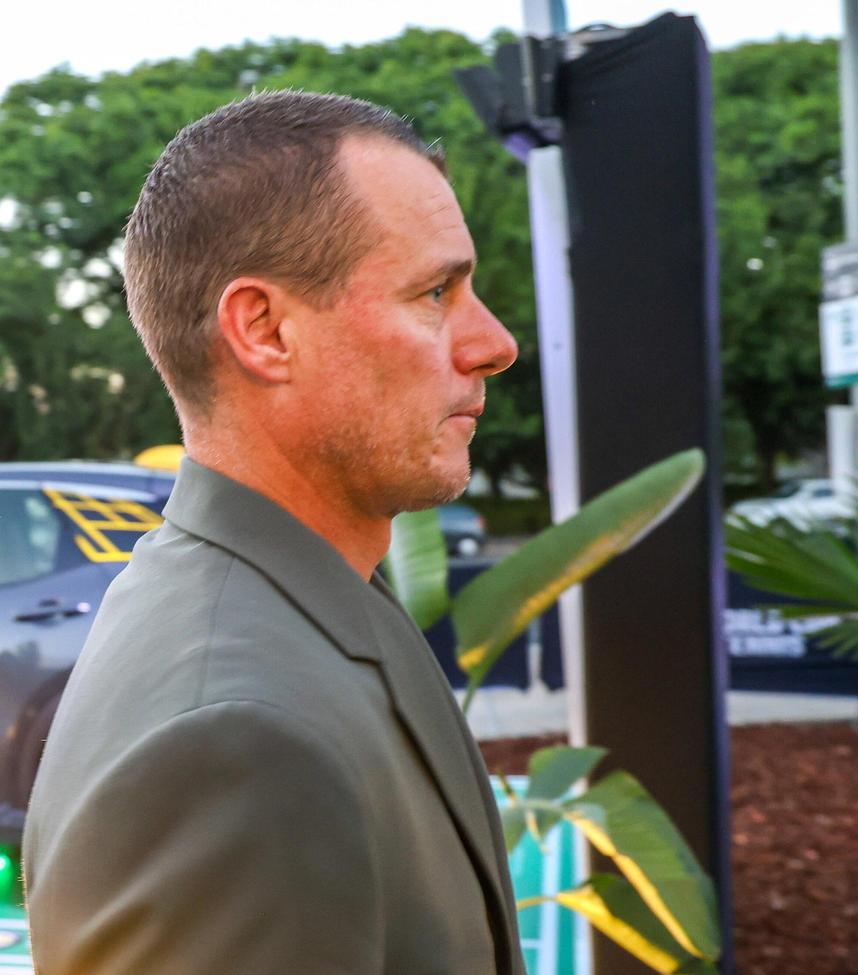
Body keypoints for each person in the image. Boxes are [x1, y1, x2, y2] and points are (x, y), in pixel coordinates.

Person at [22, 90, 523, 974]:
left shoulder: (292, 592)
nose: (493, 342)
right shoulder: (238, 741)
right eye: (436, 291)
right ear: (265, 331)